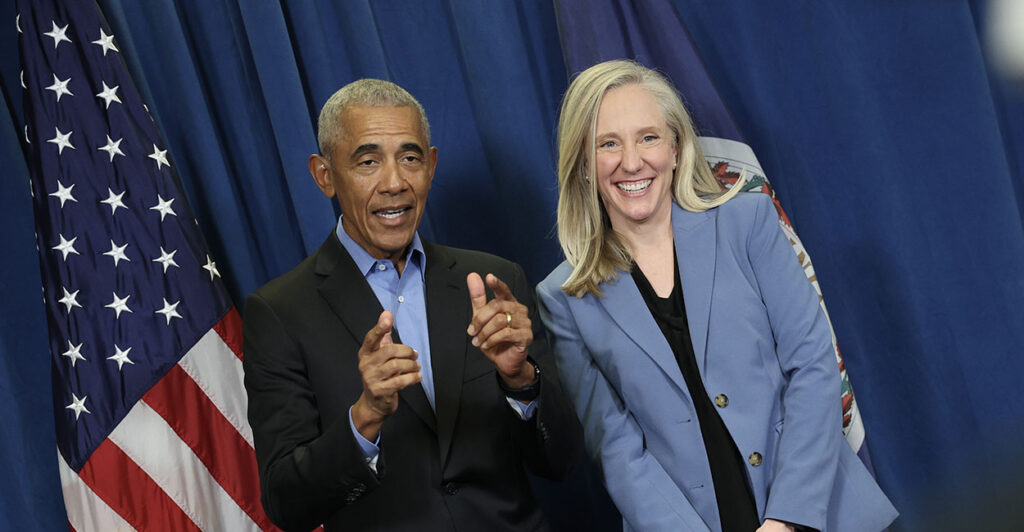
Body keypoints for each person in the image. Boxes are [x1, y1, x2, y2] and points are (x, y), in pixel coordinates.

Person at [536, 60, 898, 532]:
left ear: (676, 145)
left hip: (817, 513)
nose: (631, 162)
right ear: (584, 165)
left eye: (648, 137)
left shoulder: (748, 223)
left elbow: (813, 366)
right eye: (608, 144)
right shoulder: (564, 299)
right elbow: (615, 449)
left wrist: (786, 520)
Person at [242, 79, 582, 532]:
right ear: (324, 175)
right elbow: (287, 504)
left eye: (410, 158)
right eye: (367, 161)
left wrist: (520, 380)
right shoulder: (279, 312)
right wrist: (365, 416)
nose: (395, 182)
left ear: (432, 164)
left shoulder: (493, 282)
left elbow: (560, 461)